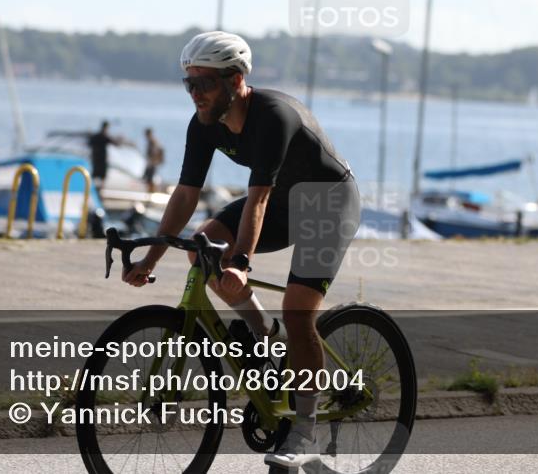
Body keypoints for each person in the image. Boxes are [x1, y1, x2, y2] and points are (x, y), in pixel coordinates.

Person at [122, 30, 360, 469]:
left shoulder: (273, 116)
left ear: (235, 81)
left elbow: (258, 199)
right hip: (282, 203)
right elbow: (186, 193)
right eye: (189, 84)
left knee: (298, 311)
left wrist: (242, 263)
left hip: (326, 203)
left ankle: (304, 431)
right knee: (203, 245)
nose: (195, 94)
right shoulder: (204, 123)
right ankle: (266, 336)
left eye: (205, 83)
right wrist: (150, 257)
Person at [87, 120, 124, 186]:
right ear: (106, 128)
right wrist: (120, 140)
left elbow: (89, 143)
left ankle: (94, 187)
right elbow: (116, 144)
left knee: (95, 174)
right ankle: (99, 188)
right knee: (101, 176)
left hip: (95, 158)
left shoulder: (96, 136)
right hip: (101, 160)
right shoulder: (104, 136)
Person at [142, 128, 164, 192]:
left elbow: (157, 151)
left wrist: (154, 160)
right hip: (151, 163)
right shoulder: (152, 141)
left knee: (150, 179)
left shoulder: (153, 142)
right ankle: (150, 192)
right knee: (148, 179)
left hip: (152, 163)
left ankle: (151, 192)